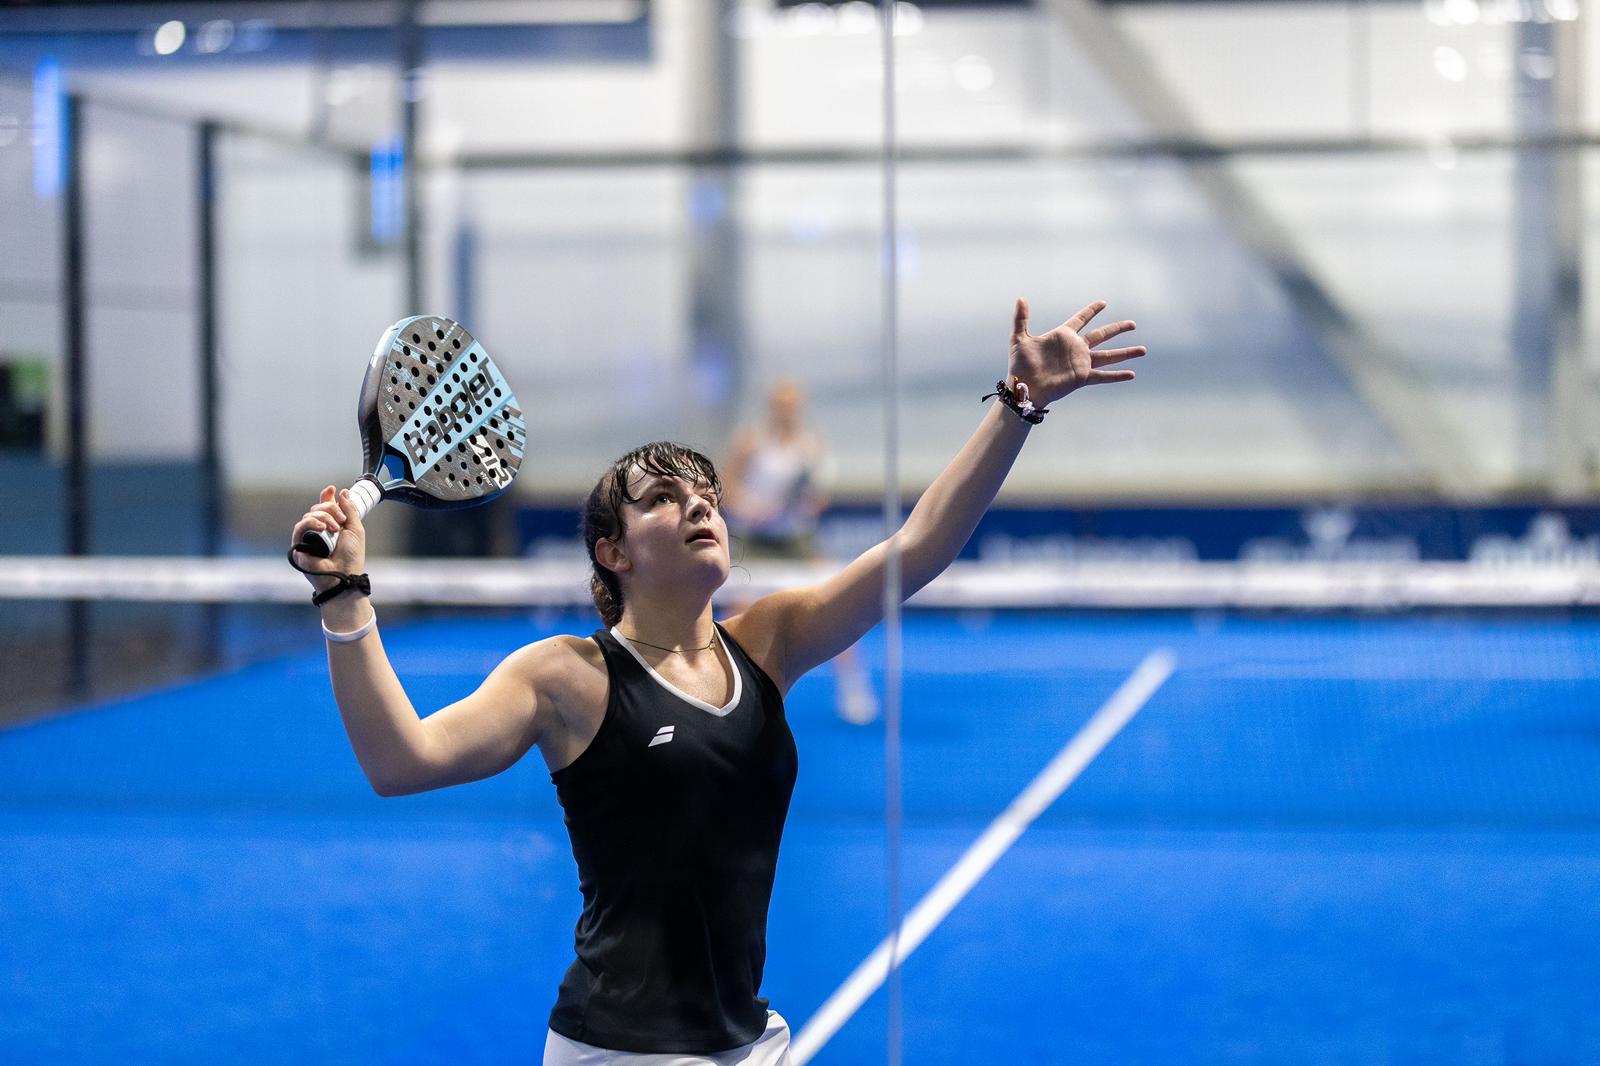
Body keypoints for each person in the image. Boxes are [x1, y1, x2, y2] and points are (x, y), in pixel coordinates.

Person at [289, 298, 1144, 1065]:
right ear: (612, 553)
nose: (702, 505)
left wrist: (1019, 404)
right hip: (620, 1053)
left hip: (746, 1040)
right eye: (666, 497)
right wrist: (342, 595)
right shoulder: (567, 676)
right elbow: (401, 761)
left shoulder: (769, 643)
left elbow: (918, 549)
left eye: (706, 493)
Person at [721, 380, 879, 724]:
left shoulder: (811, 446)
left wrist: (803, 504)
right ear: (771, 408)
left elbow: (818, 497)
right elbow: (728, 489)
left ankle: (853, 686)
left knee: (839, 604)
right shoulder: (750, 442)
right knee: (738, 613)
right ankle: (726, 692)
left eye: (792, 405)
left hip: (797, 542)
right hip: (755, 540)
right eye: (781, 405)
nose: (787, 411)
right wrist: (752, 509)